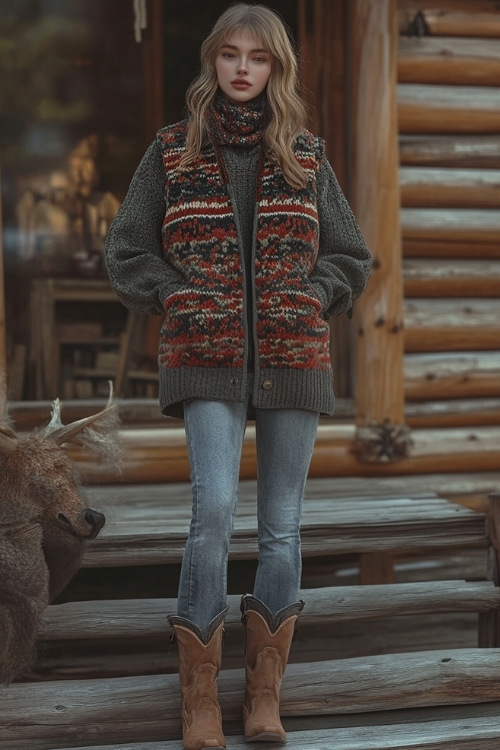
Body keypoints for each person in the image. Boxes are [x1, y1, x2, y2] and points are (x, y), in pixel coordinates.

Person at [105, 3, 372, 748]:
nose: (243, 68)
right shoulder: (170, 152)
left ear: (276, 66)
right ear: (213, 63)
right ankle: (198, 703)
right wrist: (174, 292)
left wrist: (314, 295)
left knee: (283, 531)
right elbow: (127, 249)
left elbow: (351, 254)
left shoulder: (308, 156)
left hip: (294, 357)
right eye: (230, 54)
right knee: (214, 511)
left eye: (258, 56)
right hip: (203, 353)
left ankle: (263, 697)